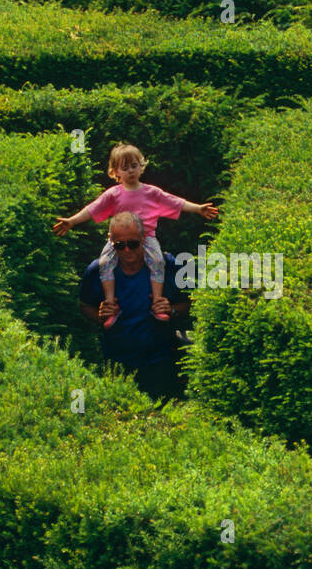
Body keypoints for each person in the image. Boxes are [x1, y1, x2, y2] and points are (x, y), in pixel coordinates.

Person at [54, 142, 218, 329]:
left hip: (147, 238)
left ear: (141, 166)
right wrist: (72, 221)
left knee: (157, 262)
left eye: (134, 165)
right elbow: (92, 209)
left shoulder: (151, 192)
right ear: (115, 172)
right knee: (105, 263)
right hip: (117, 239)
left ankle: (158, 303)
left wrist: (198, 208)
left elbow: (175, 202)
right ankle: (110, 305)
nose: (131, 171)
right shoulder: (113, 194)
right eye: (125, 168)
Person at [78, 212, 192, 400]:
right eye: (119, 246)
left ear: (144, 238)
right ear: (110, 241)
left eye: (133, 244)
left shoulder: (167, 264)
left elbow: (189, 302)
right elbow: (84, 305)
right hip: (117, 363)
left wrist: (171, 310)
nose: (127, 251)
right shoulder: (97, 270)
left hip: (161, 362)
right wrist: (101, 316)